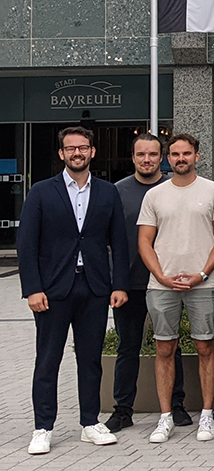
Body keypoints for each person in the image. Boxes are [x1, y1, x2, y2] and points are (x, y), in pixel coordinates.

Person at [18, 126, 128, 456]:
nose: (77, 153)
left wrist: (119, 283)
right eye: (70, 149)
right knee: (48, 360)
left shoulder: (108, 192)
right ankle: (43, 427)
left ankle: (90, 423)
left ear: (92, 152)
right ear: (61, 154)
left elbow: (119, 243)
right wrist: (32, 289)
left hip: (94, 287)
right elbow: (26, 244)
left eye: (83, 148)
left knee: (91, 360)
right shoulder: (41, 191)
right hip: (52, 290)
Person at [137, 133, 214, 444]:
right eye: (175, 154)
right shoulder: (154, 195)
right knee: (164, 348)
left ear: (197, 156)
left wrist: (202, 273)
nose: (180, 159)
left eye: (186, 153)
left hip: (204, 283)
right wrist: (162, 276)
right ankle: (165, 418)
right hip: (162, 285)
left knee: (206, 347)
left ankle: (207, 414)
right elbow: (144, 242)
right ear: (168, 158)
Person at [108, 133, 186, 435]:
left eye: (153, 154)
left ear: (162, 157)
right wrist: (116, 283)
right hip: (130, 284)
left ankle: (177, 406)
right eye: (141, 154)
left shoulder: (173, 188)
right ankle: (123, 410)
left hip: (168, 282)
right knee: (128, 348)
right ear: (133, 157)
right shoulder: (118, 192)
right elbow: (109, 241)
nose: (147, 160)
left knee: (171, 346)